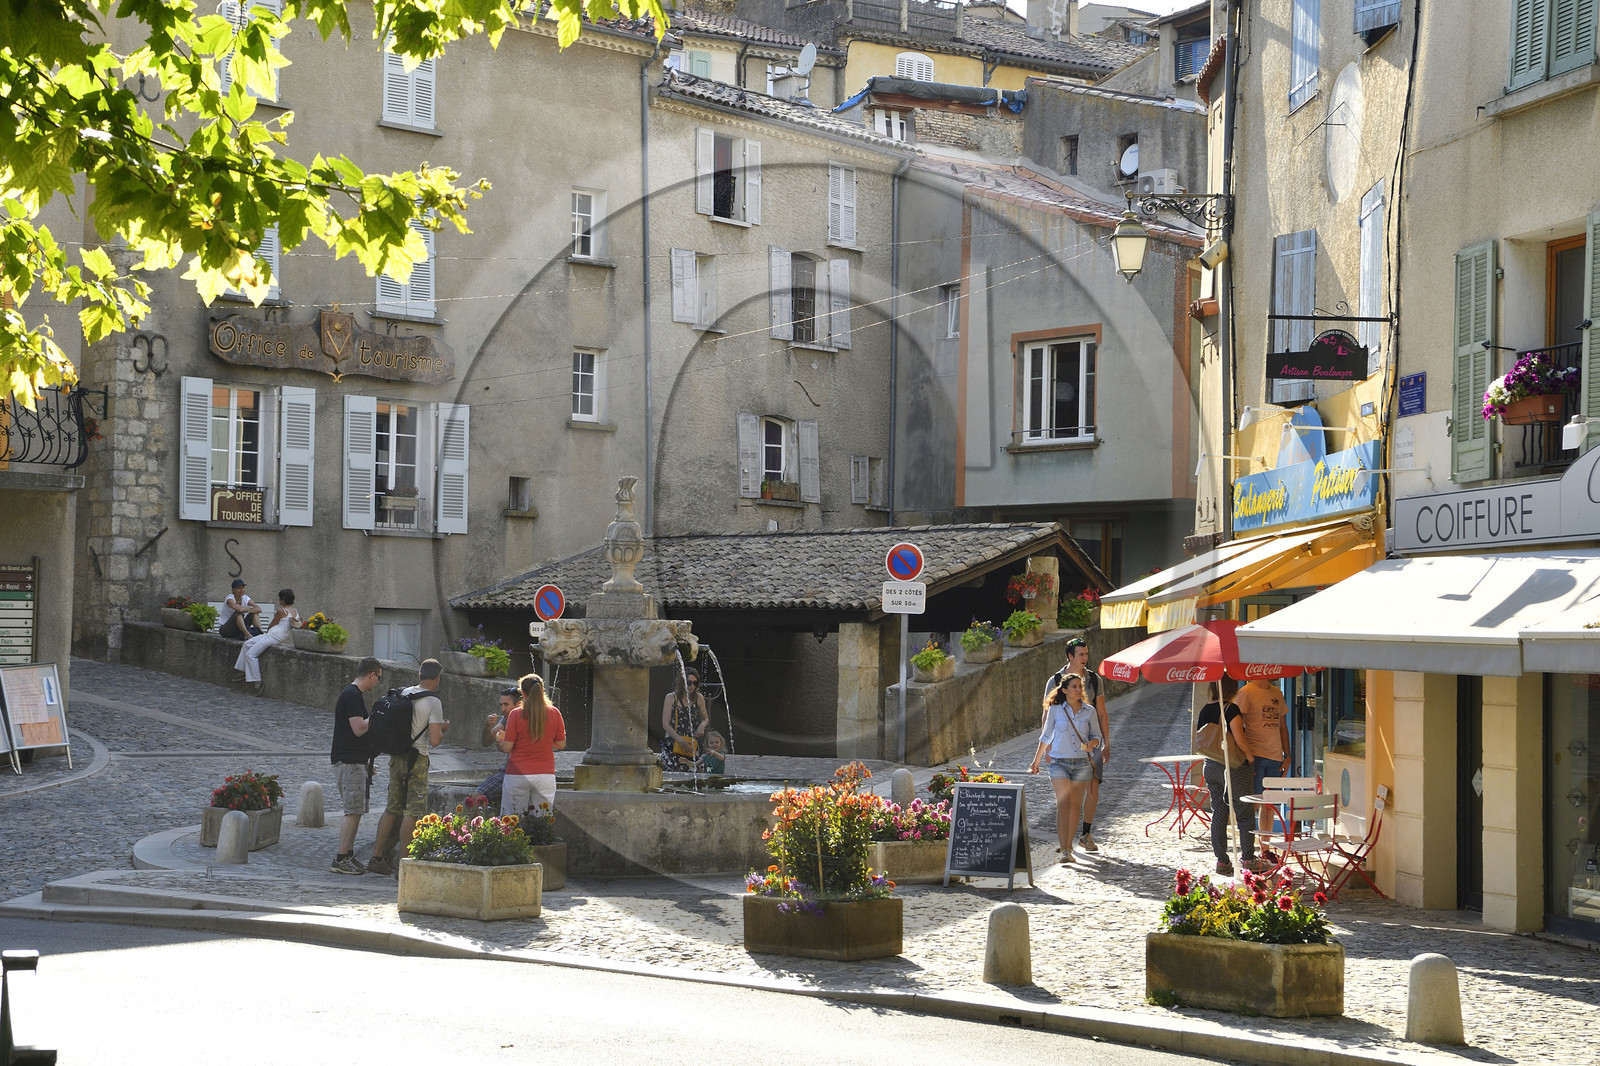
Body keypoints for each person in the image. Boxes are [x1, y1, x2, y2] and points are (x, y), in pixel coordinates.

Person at [366, 659, 447, 876]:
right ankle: (404, 865)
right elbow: (435, 740)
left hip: (397, 756)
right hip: (417, 759)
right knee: (412, 812)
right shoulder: (433, 702)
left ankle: (377, 857)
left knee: (391, 809)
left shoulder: (404, 693)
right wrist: (442, 728)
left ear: (419, 675)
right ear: (437, 678)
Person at [1027, 673, 1103, 864]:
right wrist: (1036, 760)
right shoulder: (1055, 710)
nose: (1078, 690)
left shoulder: (1089, 711)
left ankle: (1068, 847)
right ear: (1064, 690)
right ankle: (1064, 850)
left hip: (1082, 764)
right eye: (1074, 686)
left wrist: (1093, 743)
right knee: (1064, 805)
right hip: (1059, 763)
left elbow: (1097, 736)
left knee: (1075, 806)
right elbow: (1046, 736)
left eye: (1080, 686)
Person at [1043, 637, 1109, 852]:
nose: (1085, 658)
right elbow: (1047, 715)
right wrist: (1048, 746)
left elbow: (1102, 712)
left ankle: (1085, 834)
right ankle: (1066, 841)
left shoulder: (1094, 680)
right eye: (1081, 654)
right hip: (1063, 747)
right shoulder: (1055, 681)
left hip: (1091, 742)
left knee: (1093, 788)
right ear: (1070, 656)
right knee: (1068, 798)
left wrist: (1106, 742)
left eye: (1086, 654)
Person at [1198, 677, 1257, 877]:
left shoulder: (1205, 709)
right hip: (1232, 766)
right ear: (1232, 688)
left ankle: (1222, 860)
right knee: (1244, 812)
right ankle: (1248, 858)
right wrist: (1250, 757)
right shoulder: (1231, 709)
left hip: (1210, 765)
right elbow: (1239, 739)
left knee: (1219, 812)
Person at [330, 657, 383, 875]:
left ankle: (348, 855)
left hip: (355, 760)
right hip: (349, 761)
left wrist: (365, 761)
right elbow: (359, 729)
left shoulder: (353, 695)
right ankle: (341, 858)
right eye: (378, 678)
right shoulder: (352, 695)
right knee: (352, 811)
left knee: (357, 810)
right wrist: (379, 715)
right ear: (371, 674)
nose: (378, 682)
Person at [495, 673, 566, 815]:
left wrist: (499, 741)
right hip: (545, 774)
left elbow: (507, 748)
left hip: (517, 774)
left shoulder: (516, 714)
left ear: (522, 693)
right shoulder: (555, 713)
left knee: (512, 820)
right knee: (542, 820)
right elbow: (561, 744)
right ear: (542, 690)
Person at [1235, 676, 1292, 848]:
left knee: (1269, 805)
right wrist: (1246, 756)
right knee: (1253, 803)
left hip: (1275, 756)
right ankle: (1248, 849)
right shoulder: (1246, 692)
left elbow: (1282, 726)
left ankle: (1265, 848)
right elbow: (1238, 726)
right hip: (1255, 756)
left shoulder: (1277, 692)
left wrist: (1287, 756)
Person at [232, 588, 300, 694]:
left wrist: (268, 631)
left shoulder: (281, 611)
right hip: (276, 636)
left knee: (251, 655)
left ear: (283, 599)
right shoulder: (295, 612)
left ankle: (258, 683)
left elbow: (272, 624)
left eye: (280, 598)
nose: (279, 600)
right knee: (247, 644)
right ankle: (242, 671)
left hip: (273, 636)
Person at [473, 686, 521, 810]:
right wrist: (488, 726)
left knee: (476, 797)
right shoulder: (506, 719)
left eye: (506, 704)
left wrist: (504, 745)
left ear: (519, 704)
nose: (503, 709)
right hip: (512, 771)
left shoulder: (522, 719)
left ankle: (483, 821)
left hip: (514, 772)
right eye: (501, 705)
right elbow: (486, 741)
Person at [660, 667, 708, 771]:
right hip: (674, 743)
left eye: (695, 683)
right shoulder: (671, 697)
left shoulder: (698, 698)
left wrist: (702, 726)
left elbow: (705, 718)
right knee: (672, 774)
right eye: (689, 683)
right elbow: (665, 724)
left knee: (693, 776)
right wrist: (680, 741)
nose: (692, 686)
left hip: (692, 743)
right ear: (682, 682)